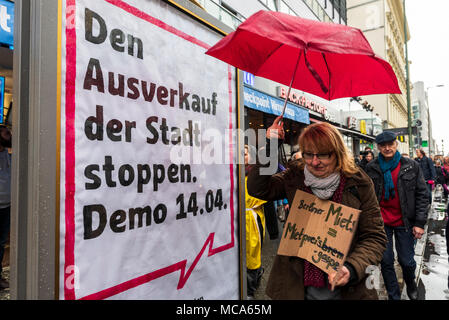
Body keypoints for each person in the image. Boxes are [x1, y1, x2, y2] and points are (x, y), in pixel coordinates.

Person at [247, 117, 387, 300]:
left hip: (345, 290)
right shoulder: (295, 176)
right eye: (308, 154)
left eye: (322, 154)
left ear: (337, 153)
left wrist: (351, 268)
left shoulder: (359, 183)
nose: (314, 162)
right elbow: (258, 188)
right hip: (296, 287)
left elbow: (375, 237)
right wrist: (271, 144)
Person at [365, 131, 429, 300]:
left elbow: (422, 195)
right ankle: (394, 296)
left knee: (407, 261)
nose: (387, 148)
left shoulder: (411, 165)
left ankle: (411, 284)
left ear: (396, 144)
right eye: (383, 145)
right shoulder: (371, 167)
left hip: (405, 222)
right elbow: (365, 195)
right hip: (380, 222)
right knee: (386, 261)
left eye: (390, 144)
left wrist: (420, 223)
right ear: (378, 147)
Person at [244, 144, 266, 299]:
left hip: (252, 219)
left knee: (252, 254)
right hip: (238, 220)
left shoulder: (256, 175)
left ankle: (250, 288)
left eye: (244, 154)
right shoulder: (233, 173)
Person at [0, 125, 11, 290]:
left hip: (7, 206)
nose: (10, 135)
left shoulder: (8, 155)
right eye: (7, 133)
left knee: (1, 242)